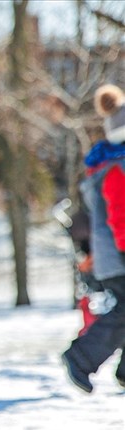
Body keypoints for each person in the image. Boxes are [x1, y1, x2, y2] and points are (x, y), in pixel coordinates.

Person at [62, 84, 125, 393]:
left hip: (114, 250)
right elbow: (120, 217)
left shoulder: (112, 164)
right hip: (119, 252)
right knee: (123, 310)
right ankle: (81, 357)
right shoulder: (116, 168)